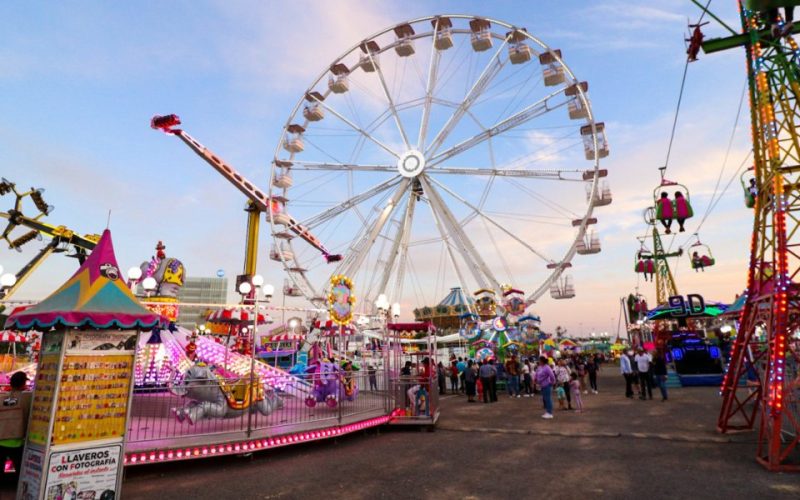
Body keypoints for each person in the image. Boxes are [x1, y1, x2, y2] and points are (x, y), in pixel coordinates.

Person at [0, 372, 30, 479]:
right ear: (23, 383)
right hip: (17, 442)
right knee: (19, 471)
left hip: (1, 439)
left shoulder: (2, 398)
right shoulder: (27, 398)